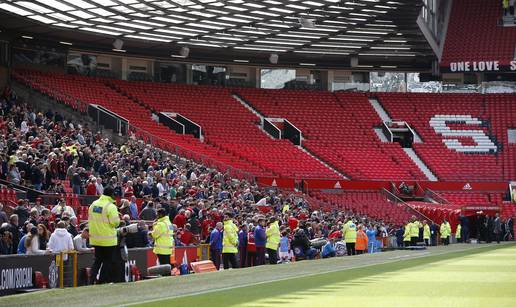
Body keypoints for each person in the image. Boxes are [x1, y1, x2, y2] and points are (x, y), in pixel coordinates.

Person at [88, 187, 120, 284]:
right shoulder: (111, 206)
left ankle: (91, 280)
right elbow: (115, 223)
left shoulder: (93, 204)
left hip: (95, 239)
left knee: (97, 261)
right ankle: (101, 281)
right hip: (108, 240)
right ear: (111, 195)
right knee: (107, 262)